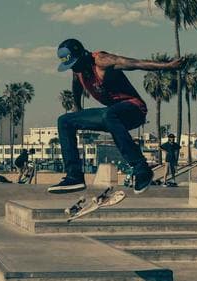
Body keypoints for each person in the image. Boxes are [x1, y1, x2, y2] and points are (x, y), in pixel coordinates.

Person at [48, 38, 182, 194]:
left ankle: (141, 169)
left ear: (83, 55)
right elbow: (76, 87)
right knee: (65, 121)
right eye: (72, 67)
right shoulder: (77, 71)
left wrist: (167, 66)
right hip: (112, 116)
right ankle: (74, 176)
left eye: (76, 64)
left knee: (109, 114)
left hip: (134, 110)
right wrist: (78, 110)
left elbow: (135, 64)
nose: (75, 69)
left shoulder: (101, 60)